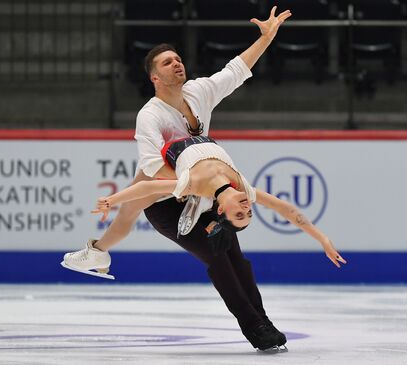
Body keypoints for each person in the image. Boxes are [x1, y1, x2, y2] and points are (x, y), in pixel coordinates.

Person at [63, 6, 299, 351]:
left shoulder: (199, 92)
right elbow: (153, 167)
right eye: (167, 63)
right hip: (167, 204)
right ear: (154, 77)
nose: (177, 64)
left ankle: (264, 322)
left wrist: (265, 37)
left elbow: (236, 70)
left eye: (177, 59)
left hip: (203, 195)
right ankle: (255, 329)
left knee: (236, 257)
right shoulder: (150, 116)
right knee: (215, 255)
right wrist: (195, 183)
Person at [91, 135, 347, 269]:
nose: (247, 208)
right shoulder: (244, 188)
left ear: (221, 209)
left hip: (166, 152)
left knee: (130, 210)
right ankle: (100, 252)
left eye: (240, 215)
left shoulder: (194, 184)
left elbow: (146, 186)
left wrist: (110, 200)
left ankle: (98, 252)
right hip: (198, 132)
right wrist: (322, 238)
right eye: (249, 213)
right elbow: (287, 209)